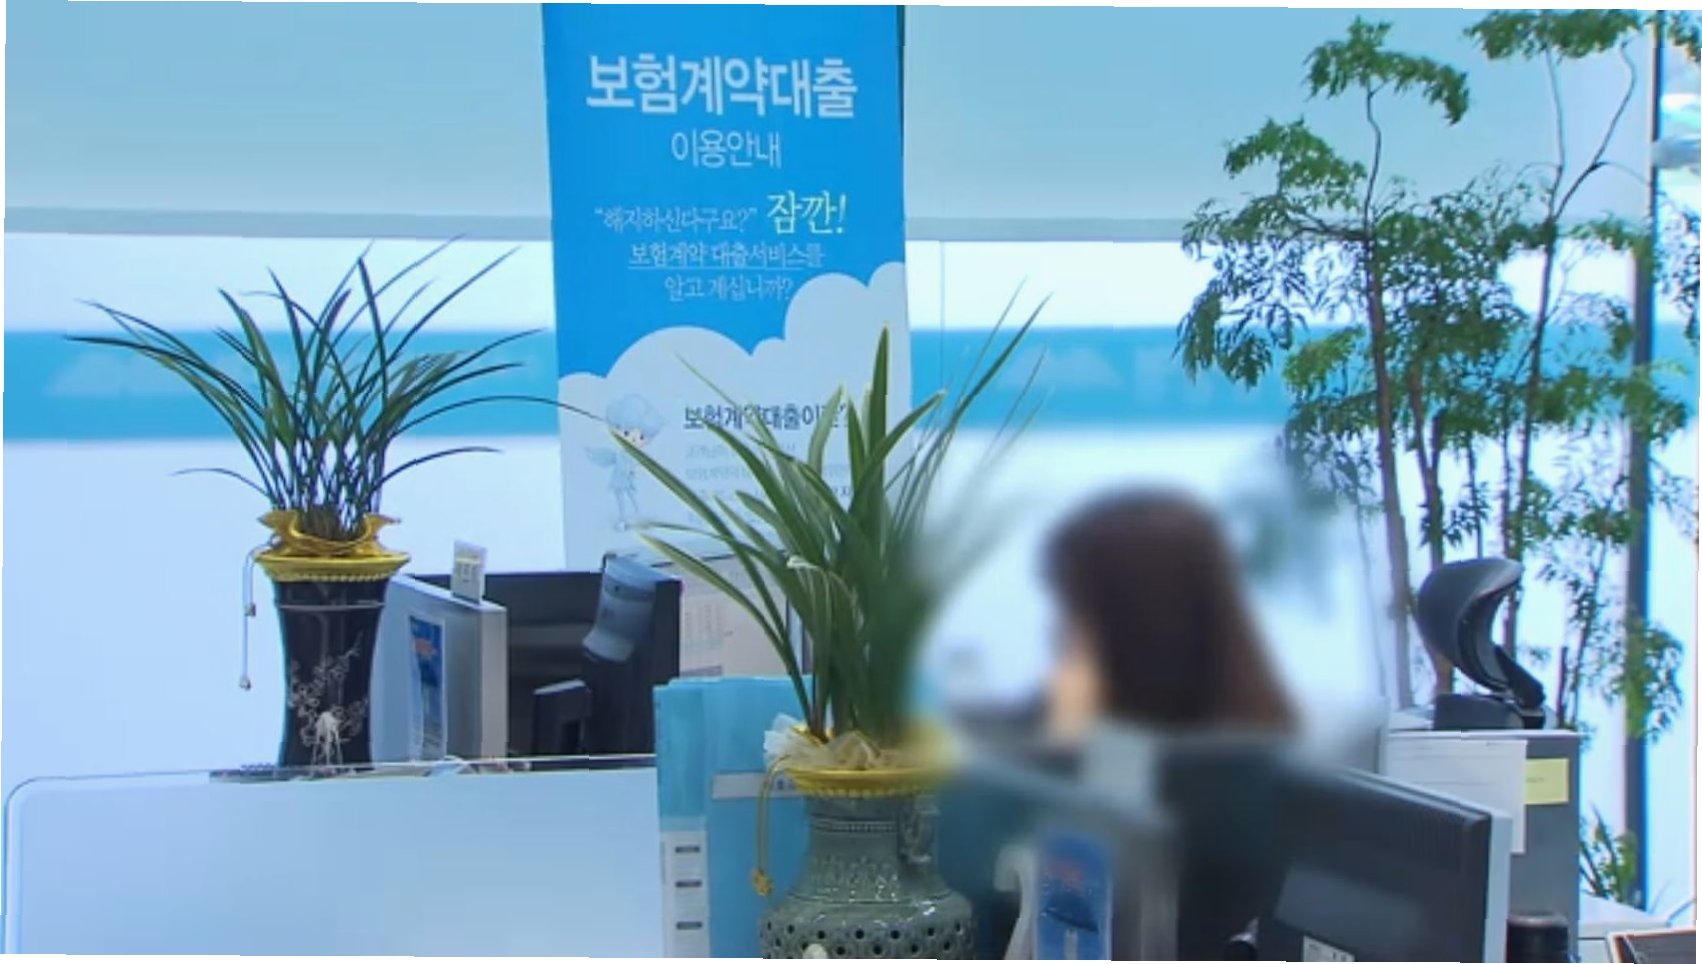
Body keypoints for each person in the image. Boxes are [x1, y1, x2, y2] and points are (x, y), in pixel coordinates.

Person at [1042, 488, 1295, 740]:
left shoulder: (1114, 746)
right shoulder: (1277, 739)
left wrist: (1069, 737)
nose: (1056, 632)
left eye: (1074, 610)